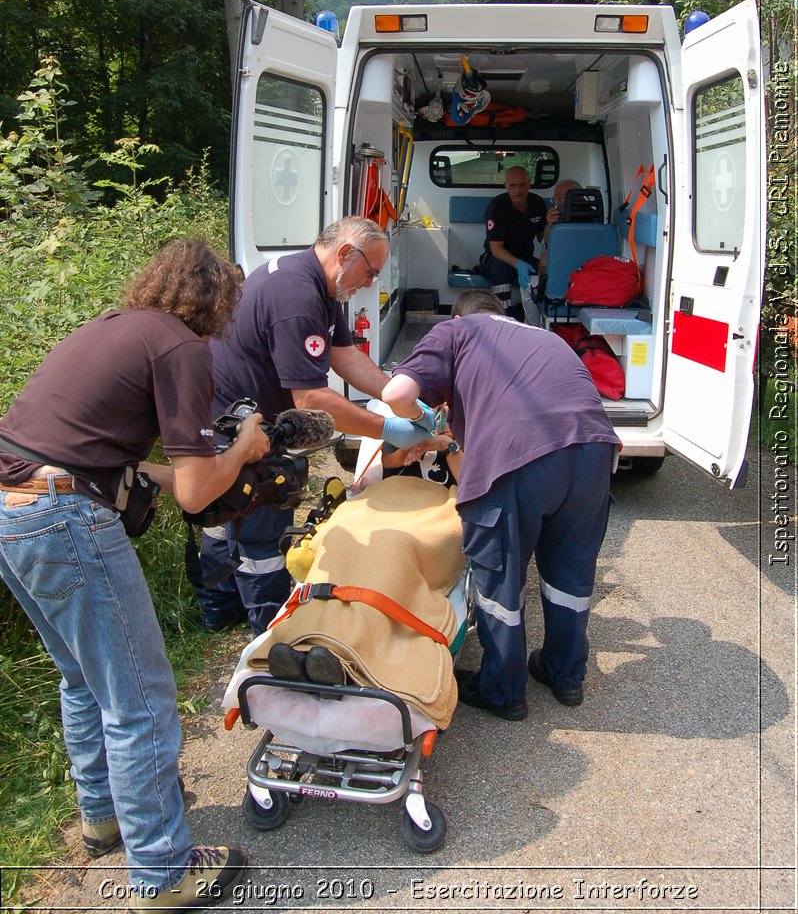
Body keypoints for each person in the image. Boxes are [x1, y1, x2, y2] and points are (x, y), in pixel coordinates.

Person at [0, 239, 272, 912]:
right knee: (141, 700)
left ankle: (104, 817)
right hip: (65, 520)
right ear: (215, 301)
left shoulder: (111, 328)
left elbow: (95, 454)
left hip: (14, 508)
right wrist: (246, 447)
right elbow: (195, 493)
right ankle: (162, 873)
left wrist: (192, 466)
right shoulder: (181, 346)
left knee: (83, 679)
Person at [381, 289, 620, 721]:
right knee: (571, 570)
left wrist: (424, 424)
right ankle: (565, 675)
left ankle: (504, 690)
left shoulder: (455, 332)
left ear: (459, 317)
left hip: (521, 454)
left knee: (500, 576)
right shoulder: (546, 339)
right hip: (595, 450)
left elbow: (397, 394)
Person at [200, 216, 435, 636]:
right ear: (346, 253)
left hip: (236, 414)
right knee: (259, 526)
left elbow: (344, 356)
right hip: (239, 425)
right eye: (371, 272)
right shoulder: (296, 295)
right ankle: (269, 634)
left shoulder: (319, 285)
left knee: (223, 516)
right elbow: (310, 400)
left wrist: (400, 397)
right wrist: (385, 428)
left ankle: (219, 613)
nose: (370, 283)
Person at [478, 165, 548, 316]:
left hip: (525, 257)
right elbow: (496, 248)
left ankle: (540, 316)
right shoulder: (497, 206)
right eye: (513, 185)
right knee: (501, 269)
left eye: (522, 185)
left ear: (529, 183)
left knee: (548, 271)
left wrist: (550, 225)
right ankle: (501, 314)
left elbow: (543, 237)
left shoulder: (538, 203)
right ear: (506, 186)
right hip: (496, 258)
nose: (518, 190)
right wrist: (518, 264)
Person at [537, 177, 582, 278]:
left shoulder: (590, 217)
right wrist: (549, 224)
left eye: (561, 199)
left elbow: (543, 267)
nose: (557, 204)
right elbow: (545, 241)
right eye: (555, 199)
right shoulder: (556, 216)